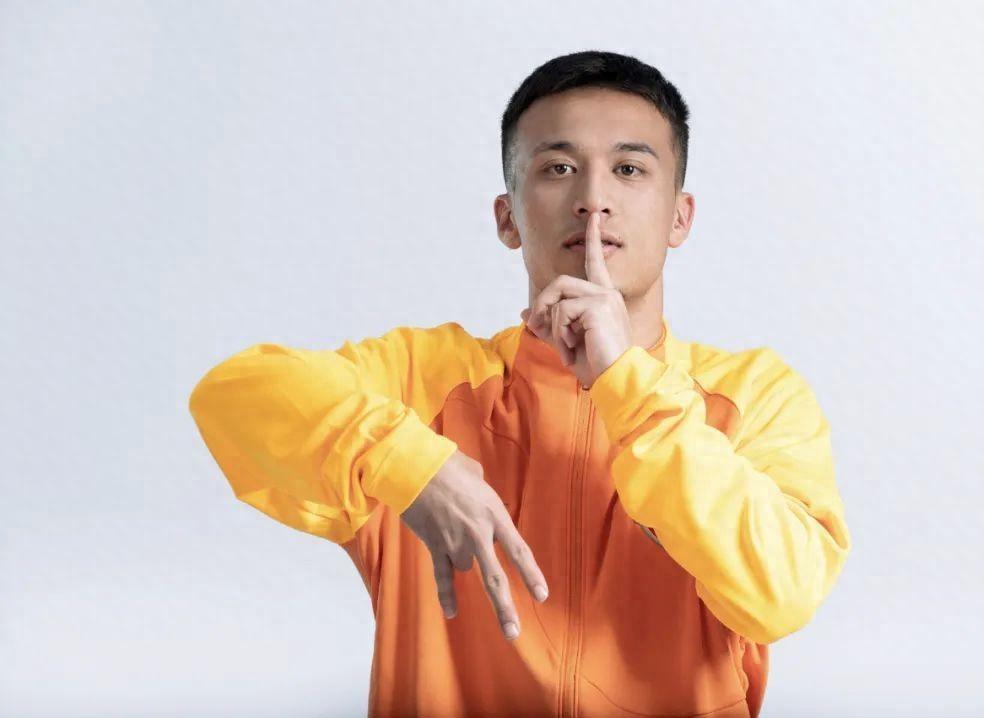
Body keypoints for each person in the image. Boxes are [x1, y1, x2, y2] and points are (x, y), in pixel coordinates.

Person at [188, 50, 852, 718]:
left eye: (629, 169)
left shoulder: (755, 397)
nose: (593, 199)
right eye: (558, 168)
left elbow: (783, 593)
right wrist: (407, 464)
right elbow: (233, 392)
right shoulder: (423, 383)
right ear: (508, 218)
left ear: (680, 217)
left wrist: (625, 381)